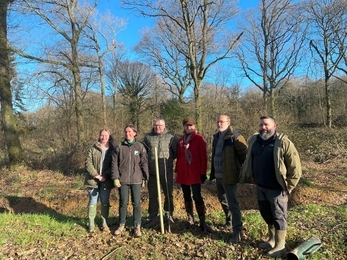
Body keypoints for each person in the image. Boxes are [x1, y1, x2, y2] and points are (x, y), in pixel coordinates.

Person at [240, 116, 302, 257]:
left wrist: (289, 186)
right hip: (260, 186)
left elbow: (295, 167)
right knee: (267, 214)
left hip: (277, 189)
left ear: (274, 126)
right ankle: (272, 240)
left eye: (266, 125)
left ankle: (280, 246)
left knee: (279, 216)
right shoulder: (254, 141)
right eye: (261, 125)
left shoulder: (283, 142)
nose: (263, 127)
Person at [210, 115, 248, 244]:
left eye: (222, 121)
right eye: (218, 121)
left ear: (228, 123)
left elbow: (245, 156)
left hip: (230, 176)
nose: (219, 123)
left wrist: (240, 172)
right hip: (218, 176)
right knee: (223, 199)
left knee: (233, 203)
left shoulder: (235, 137)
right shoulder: (216, 137)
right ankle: (229, 221)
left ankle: (237, 231)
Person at [175, 117, 213, 233]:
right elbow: (179, 156)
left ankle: (202, 220)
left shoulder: (199, 139)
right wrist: (177, 170)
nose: (189, 127)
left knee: (197, 196)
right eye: (187, 126)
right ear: (184, 127)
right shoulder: (181, 141)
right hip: (183, 173)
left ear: (194, 126)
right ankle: (190, 218)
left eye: (191, 125)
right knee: (186, 195)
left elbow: (203, 157)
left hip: (195, 173)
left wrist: (203, 172)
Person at [111, 124, 149, 237]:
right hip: (122, 180)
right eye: (126, 132)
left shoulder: (140, 147)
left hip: (137, 179)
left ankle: (137, 226)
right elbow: (114, 164)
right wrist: (115, 178)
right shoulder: (119, 147)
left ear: (135, 133)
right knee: (123, 203)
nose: (127, 134)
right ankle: (122, 224)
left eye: (129, 132)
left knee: (136, 203)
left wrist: (145, 177)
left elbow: (144, 163)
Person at [143, 117, 178, 228]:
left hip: (166, 172)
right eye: (155, 125)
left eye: (160, 125)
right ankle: (153, 216)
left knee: (168, 194)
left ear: (164, 126)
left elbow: (175, 153)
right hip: (152, 172)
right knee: (153, 195)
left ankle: (169, 215)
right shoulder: (148, 137)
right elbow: (144, 155)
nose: (157, 127)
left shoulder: (171, 138)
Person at [84, 128, 116, 233]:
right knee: (93, 201)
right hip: (93, 180)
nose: (104, 137)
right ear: (99, 136)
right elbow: (88, 163)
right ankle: (91, 225)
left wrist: (105, 175)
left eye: (106, 135)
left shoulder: (113, 149)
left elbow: (114, 165)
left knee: (105, 202)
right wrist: (96, 175)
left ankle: (105, 223)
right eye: (102, 135)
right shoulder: (93, 148)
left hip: (106, 181)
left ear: (109, 136)